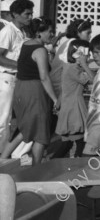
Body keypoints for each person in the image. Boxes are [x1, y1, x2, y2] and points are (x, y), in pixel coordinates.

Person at [0, 17, 58, 165]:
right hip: (34, 91)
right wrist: (55, 99)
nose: (52, 34)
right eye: (50, 31)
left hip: (21, 88)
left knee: (25, 127)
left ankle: (3, 157)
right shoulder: (40, 50)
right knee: (41, 133)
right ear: (39, 32)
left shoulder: (26, 44)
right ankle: (36, 169)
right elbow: (44, 77)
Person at [0, 0, 33, 154]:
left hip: (15, 79)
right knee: (3, 120)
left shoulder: (22, 31)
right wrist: (20, 66)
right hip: (5, 78)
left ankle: (6, 154)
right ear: (15, 14)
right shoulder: (8, 31)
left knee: (11, 120)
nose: (30, 17)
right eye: (27, 14)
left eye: (31, 14)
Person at [54, 39, 94, 158]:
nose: (89, 56)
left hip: (69, 107)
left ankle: (53, 163)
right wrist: (85, 64)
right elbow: (93, 80)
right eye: (87, 53)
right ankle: (54, 164)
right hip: (74, 109)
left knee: (68, 143)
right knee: (79, 142)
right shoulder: (73, 69)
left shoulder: (69, 67)